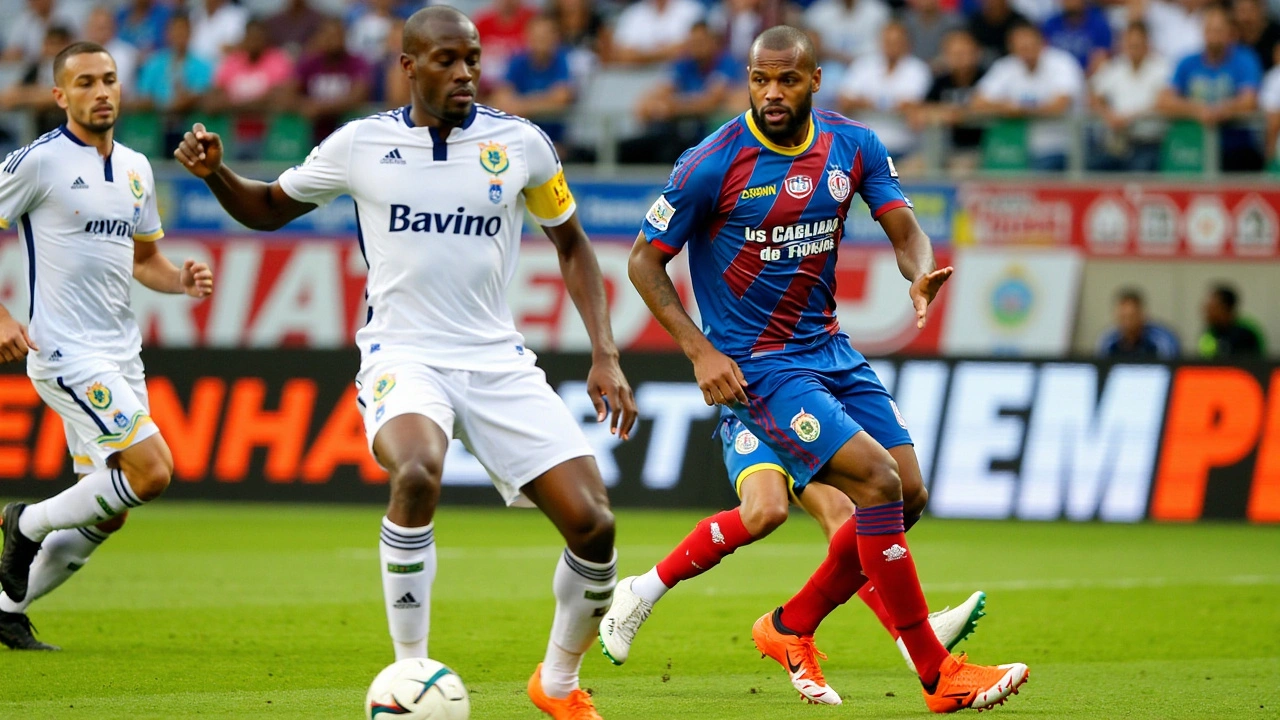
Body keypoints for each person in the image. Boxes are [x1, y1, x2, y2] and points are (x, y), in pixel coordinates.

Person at [174, 8, 636, 719]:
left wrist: (605, 353)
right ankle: (410, 673)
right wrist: (215, 174)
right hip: (403, 353)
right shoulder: (361, 144)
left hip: (497, 360)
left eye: (473, 60)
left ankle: (559, 684)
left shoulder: (520, 145)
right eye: (447, 60)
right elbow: (269, 208)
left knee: (595, 527)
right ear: (409, 65)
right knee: (417, 470)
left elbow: (572, 244)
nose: (465, 74)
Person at [623, 24, 1029, 713]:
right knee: (873, 482)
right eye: (759, 80)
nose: (772, 93)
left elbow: (904, 226)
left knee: (908, 494)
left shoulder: (853, 144)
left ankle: (790, 625)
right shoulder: (710, 162)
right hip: (760, 367)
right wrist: (701, 349)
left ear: (815, 80)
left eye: (786, 79)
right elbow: (642, 261)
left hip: (831, 350)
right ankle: (937, 675)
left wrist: (920, 271)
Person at [0, 41, 214, 651]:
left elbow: (144, 260)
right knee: (151, 472)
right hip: (65, 351)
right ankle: (26, 520)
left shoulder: (137, 168)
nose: (101, 91)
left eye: (110, 79)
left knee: (109, 510)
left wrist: (180, 280)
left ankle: (4, 606)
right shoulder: (37, 163)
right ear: (60, 96)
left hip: (121, 352)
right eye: (86, 81)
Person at [600, 409, 991, 684]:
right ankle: (642, 589)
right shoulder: (737, 296)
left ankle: (907, 636)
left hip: (801, 398)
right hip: (751, 402)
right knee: (766, 511)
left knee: (844, 513)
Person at [1156, 4, 1264, 172]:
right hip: (1192, 146)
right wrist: (1198, 110)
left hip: (1235, 146)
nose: (1214, 36)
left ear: (1230, 33)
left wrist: (1222, 111)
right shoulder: (1187, 62)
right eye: (1210, 29)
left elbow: (1250, 100)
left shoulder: (1245, 59)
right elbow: (1164, 101)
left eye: (1219, 30)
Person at [972, 22, 1084, 171]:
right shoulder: (1005, 66)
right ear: (1012, 48)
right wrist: (1005, 107)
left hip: (1059, 146)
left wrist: (1021, 110)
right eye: (1022, 48)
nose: (1028, 53)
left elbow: (1060, 105)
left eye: (1032, 46)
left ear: (1042, 43)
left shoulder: (1062, 62)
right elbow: (977, 102)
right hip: (1015, 146)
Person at [839, 21, 932, 162]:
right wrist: (890, 104)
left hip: (904, 147)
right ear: (880, 42)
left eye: (897, 42)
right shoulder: (863, 65)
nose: (892, 46)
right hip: (864, 148)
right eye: (888, 41)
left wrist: (867, 102)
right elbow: (845, 101)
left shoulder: (918, 69)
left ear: (907, 44)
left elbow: (909, 104)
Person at [1089, 20, 1171, 172]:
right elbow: (1093, 95)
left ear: (1147, 43)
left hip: (1150, 143)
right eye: (1129, 44)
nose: (1133, 49)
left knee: (1138, 171)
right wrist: (1108, 114)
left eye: (1137, 45)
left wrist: (1129, 117)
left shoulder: (1162, 68)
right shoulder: (1116, 67)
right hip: (1118, 143)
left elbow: (1163, 102)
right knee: (1091, 167)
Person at [489, 15, 575, 145]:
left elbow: (561, 98)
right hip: (519, 138)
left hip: (555, 139)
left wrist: (521, 107)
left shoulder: (562, 60)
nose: (541, 41)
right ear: (527, 37)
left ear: (555, 38)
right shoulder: (517, 61)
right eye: (537, 36)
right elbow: (501, 98)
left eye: (545, 36)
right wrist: (544, 102)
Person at [293, 17, 372, 144]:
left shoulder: (358, 63)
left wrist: (321, 108)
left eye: (337, 35)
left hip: (348, 131)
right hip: (312, 131)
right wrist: (304, 104)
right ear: (319, 38)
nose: (333, 40)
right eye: (328, 36)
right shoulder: (308, 62)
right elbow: (287, 94)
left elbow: (358, 96)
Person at [917, 29, 987, 172]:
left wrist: (960, 114)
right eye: (954, 54)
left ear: (976, 53)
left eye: (964, 53)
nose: (959, 58)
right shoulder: (941, 81)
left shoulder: (987, 77)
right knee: (907, 171)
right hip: (943, 147)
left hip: (979, 149)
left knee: (959, 172)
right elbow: (922, 110)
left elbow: (991, 105)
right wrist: (942, 113)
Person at [1096, 288, 1180, 359]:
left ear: (1143, 315)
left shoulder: (1162, 339)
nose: (1127, 323)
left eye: (1131, 317)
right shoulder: (1108, 340)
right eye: (1123, 317)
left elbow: (1171, 369)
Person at [1041, 0, 1112, 72]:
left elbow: (1101, 57)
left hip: (1089, 78)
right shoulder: (1050, 24)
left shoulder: (1100, 25)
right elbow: (1045, 54)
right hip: (1057, 76)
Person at [1199, 284, 1265, 357]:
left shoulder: (1247, 332)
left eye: (1212, 308)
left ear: (1225, 308)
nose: (1207, 313)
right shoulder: (1208, 334)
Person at [1233, 0, 1279, 71]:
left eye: (1251, 10)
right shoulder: (1231, 37)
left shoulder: (1276, 35)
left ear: (1261, 10)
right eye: (1242, 11)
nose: (1246, 17)